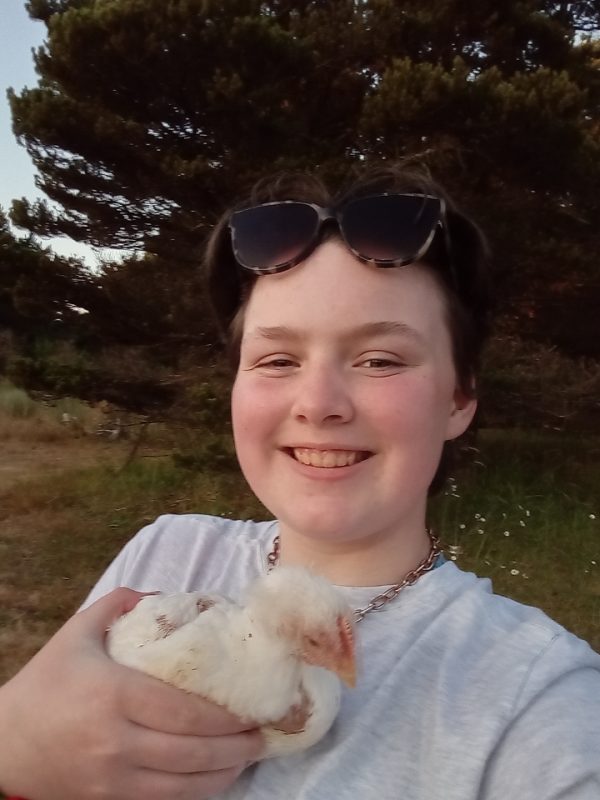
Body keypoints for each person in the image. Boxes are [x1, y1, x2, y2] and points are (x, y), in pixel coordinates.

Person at [0, 164, 598, 800]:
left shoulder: (536, 700)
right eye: (277, 359)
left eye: (380, 360)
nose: (318, 403)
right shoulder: (162, 554)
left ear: (458, 398)